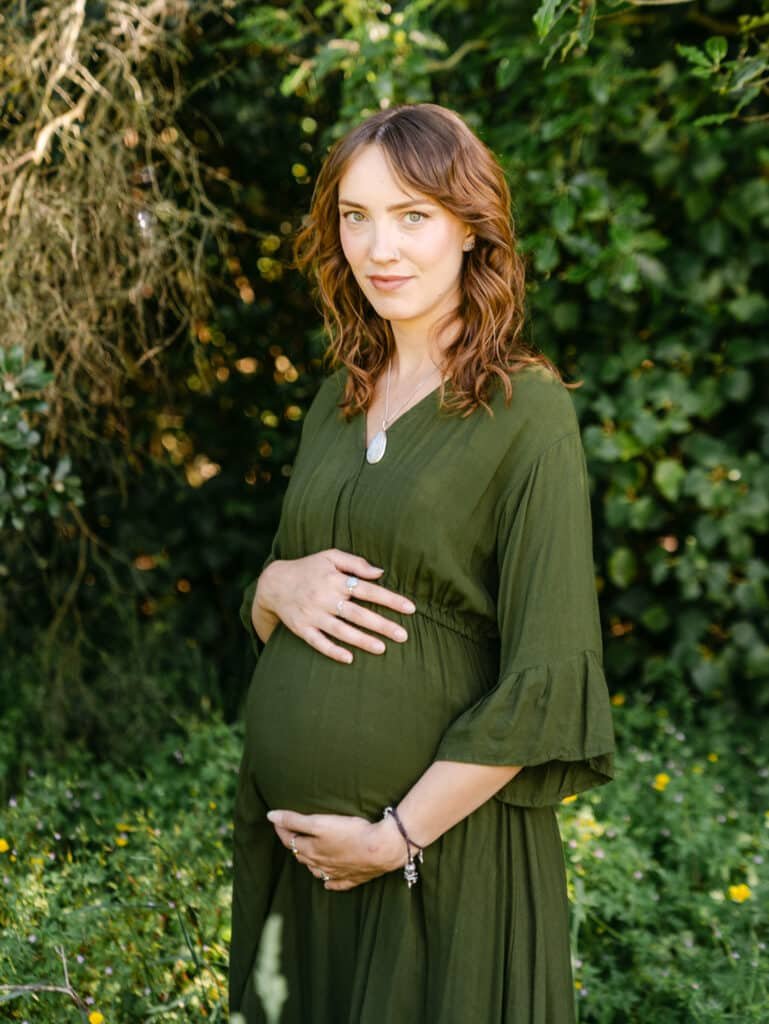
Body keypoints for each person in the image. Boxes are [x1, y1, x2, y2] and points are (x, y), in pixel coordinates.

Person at [229, 102, 615, 1024]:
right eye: (355, 217)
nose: (380, 248)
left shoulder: (526, 412)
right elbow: (286, 604)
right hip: (300, 866)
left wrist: (392, 838)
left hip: (439, 861)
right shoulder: (336, 399)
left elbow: (547, 676)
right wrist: (271, 587)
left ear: (470, 228)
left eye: (412, 216)